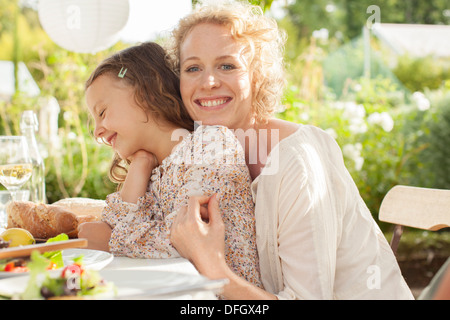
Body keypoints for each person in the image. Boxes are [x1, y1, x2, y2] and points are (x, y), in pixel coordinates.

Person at [168, 1, 414, 299]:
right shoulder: (210, 155)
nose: (207, 82)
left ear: (257, 75)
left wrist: (212, 267)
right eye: (192, 68)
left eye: (227, 65)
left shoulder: (297, 160)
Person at [78, 42, 262, 288]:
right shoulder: (155, 170)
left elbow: (184, 240)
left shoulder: (209, 145)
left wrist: (111, 239)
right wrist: (140, 166)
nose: (98, 131)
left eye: (101, 112)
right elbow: (116, 222)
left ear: (144, 93)